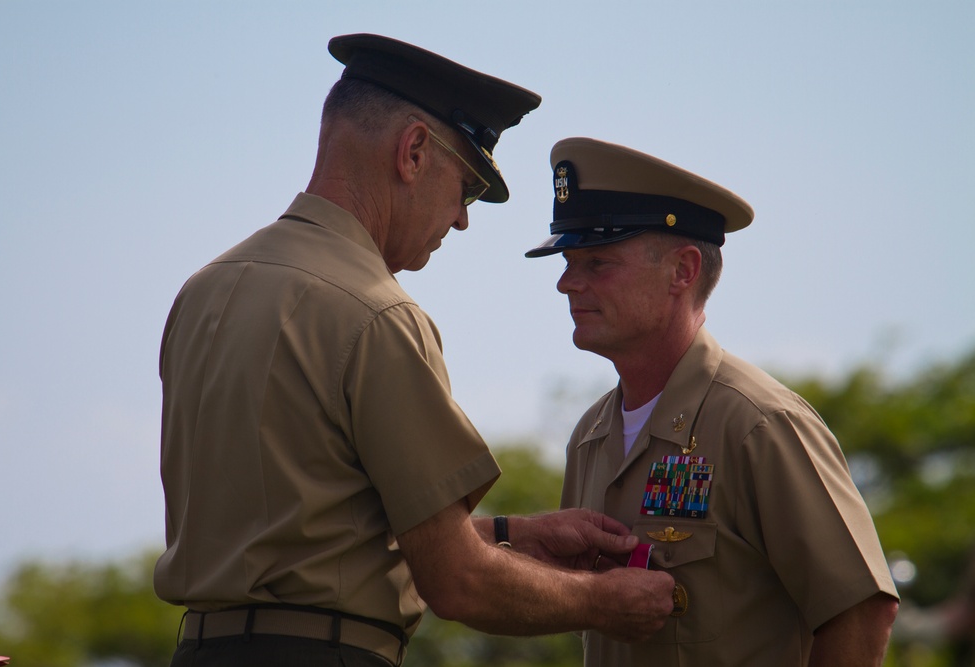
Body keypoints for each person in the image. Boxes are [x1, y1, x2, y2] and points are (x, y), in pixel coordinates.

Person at [154, 36, 675, 667]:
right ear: (415, 151)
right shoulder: (377, 313)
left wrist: (511, 534)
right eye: (467, 187)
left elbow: (309, 540)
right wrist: (605, 602)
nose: (460, 219)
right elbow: (458, 581)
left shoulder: (207, 289)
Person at [525, 137, 900, 666]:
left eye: (597, 263)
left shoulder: (759, 423)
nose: (567, 283)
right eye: (568, 262)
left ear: (683, 270)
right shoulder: (591, 435)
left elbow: (860, 611)